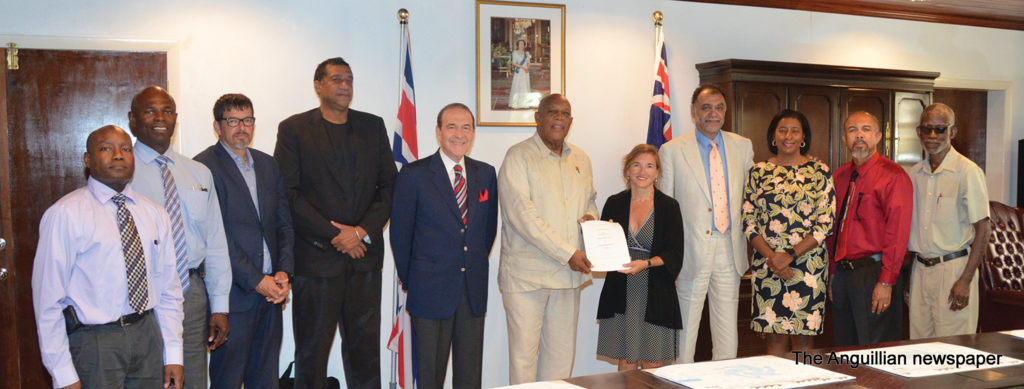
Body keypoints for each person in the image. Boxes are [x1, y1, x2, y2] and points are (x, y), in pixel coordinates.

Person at [274, 57, 397, 388]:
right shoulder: (294, 129)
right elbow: (289, 194)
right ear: (318, 86)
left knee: (365, 353)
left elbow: (389, 187)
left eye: (349, 80)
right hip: (316, 262)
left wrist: (358, 233)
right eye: (337, 79)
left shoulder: (373, 126)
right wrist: (336, 234)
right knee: (311, 355)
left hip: (364, 260)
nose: (345, 86)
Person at [32, 125, 185, 389]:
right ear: (88, 160)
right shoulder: (65, 214)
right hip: (95, 343)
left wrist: (173, 353)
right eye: (106, 148)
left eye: (126, 149)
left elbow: (169, 289)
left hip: (147, 335)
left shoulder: (155, 213)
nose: (118, 155)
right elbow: (47, 301)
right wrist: (63, 374)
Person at [128, 86, 232, 388]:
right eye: (150, 111)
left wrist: (220, 306)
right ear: (133, 120)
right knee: (146, 378)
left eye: (168, 111)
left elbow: (215, 241)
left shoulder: (198, 172)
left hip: (192, 292)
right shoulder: (122, 174)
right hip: (142, 294)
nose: (160, 118)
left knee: (194, 379)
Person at [390, 103, 499, 388]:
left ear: (473, 133)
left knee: (469, 377)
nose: (459, 134)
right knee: (430, 377)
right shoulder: (414, 174)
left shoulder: (486, 173)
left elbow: (487, 232)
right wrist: (412, 279)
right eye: (451, 126)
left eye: (466, 127)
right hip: (429, 290)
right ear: (438, 132)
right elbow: (400, 235)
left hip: (471, 290)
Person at [194, 94, 295, 388]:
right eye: (233, 121)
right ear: (217, 126)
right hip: (232, 297)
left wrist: (283, 273)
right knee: (228, 378)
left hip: (271, 295)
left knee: (264, 379)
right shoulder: (204, 168)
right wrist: (255, 279)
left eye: (247, 120)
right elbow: (217, 236)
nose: (242, 128)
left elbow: (283, 224)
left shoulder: (268, 165)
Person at [498, 93, 598, 383]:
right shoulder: (518, 156)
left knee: (560, 362)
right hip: (528, 278)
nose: (559, 118)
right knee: (523, 361)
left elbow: (590, 200)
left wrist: (591, 219)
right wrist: (568, 252)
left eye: (565, 113)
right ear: (537, 118)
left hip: (568, 278)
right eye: (552, 112)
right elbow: (523, 217)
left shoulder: (581, 158)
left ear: (571, 121)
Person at [659, 84, 754, 362]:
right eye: (706, 107)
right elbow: (666, 210)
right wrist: (670, 259)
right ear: (693, 112)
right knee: (684, 333)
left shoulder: (743, 145)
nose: (713, 113)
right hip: (690, 253)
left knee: (728, 337)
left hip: (730, 247)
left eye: (719, 107)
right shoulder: (672, 150)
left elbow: (757, 192)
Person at [742, 110, 836, 356]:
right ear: (773, 136)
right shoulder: (758, 172)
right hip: (767, 264)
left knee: (804, 342)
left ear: (804, 136)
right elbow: (749, 221)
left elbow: (825, 223)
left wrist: (790, 256)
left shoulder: (820, 171)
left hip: (808, 266)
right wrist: (774, 258)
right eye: (782, 130)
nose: (788, 136)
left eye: (795, 130)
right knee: (773, 339)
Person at [827, 111, 912, 346]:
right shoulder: (840, 176)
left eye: (866, 129)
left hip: (875, 273)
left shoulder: (894, 176)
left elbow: (898, 234)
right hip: (844, 274)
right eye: (853, 130)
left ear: (878, 137)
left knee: (876, 349)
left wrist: (886, 282)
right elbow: (834, 230)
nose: (859, 135)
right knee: (845, 349)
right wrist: (833, 273)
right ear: (844, 138)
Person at [596, 144, 684, 370]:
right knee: (625, 361)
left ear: (657, 172)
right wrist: (594, 231)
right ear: (627, 170)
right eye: (636, 165)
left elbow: (675, 252)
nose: (642, 171)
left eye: (649, 166)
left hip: (654, 291)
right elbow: (602, 247)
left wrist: (645, 264)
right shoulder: (614, 203)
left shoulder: (669, 207)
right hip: (621, 290)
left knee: (652, 362)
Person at [907, 103, 991, 339]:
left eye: (940, 129)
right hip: (920, 270)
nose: (933, 136)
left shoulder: (967, 171)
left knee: (953, 351)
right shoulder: (913, 174)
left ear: (952, 132)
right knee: (919, 349)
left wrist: (965, 280)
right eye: (927, 129)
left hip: (954, 271)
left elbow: (984, 229)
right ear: (918, 132)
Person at [508, 39, 532, 109]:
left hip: (525, 72)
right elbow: (514, 63)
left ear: (524, 45)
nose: (521, 45)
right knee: (518, 86)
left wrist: (527, 68)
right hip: (519, 71)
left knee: (525, 86)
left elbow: (528, 62)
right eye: (520, 44)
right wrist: (523, 67)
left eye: (522, 44)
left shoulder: (527, 53)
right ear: (518, 45)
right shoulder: (515, 53)